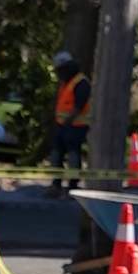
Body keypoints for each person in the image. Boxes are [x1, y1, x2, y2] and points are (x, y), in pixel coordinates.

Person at [47, 53, 90, 183]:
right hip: (62, 125)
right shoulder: (66, 83)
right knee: (56, 154)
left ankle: (72, 185)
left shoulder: (81, 82)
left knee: (73, 155)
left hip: (77, 126)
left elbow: (79, 106)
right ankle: (56, 183)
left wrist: (68, 121)